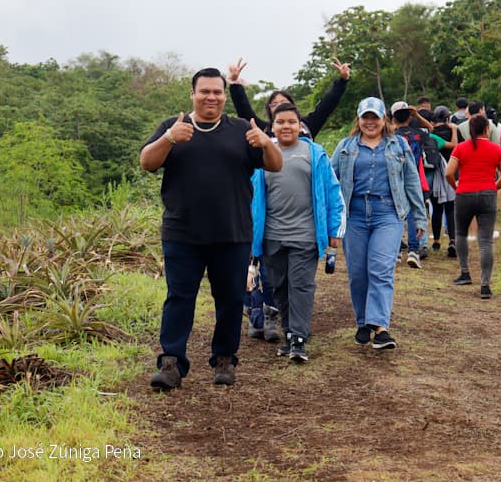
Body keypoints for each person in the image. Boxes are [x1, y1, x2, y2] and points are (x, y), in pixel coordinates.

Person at [141, 68, 283, 390]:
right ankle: (171, 362)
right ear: (192, 94)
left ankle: (225, 360)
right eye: (204, 91)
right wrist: (168, 139)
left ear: (223, 95)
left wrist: (265, 142)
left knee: (231, 299)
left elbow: (275, 165)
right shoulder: (173, 126)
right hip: (182, 232)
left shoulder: (240, 130)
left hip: (233, 232)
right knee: (179, 297)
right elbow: (146, 162)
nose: (211, 97)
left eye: (217, 92)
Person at [250, 103, 346, 362]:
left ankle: (299, 339)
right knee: (280, 287)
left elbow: (332, 192)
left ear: (300, 125)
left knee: (301, 286)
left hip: (305, 235)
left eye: (291, 121)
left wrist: (335, 229)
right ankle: (289, 333)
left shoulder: (314, 153)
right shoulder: (262, 155)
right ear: (272, 126)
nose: (286, 126)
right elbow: (253, 198)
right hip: (272, 235)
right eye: (280, 122)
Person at [331, 97, 427, 350]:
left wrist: (420, 217)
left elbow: (411, 182)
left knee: (381, 268)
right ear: (359, 119)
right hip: (354, 214)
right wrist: (328, 217)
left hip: (388, 212)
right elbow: (330, 182)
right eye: (366, 117)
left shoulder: (399, 145)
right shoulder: (345, 147)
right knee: (358, 272)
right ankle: (363, 322)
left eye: (375, 117)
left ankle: (381, 327)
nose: (370, 122)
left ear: (384, 119)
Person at [445, 115, 501, 300]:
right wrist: (493, 187)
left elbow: (449, 172)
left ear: (470, 130)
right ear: (487, 130)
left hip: (464, 194)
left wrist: (457, 187)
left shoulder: (460, 147)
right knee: (486, 241)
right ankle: (485, 285)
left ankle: (465, 273)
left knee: (460, 234)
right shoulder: (496, 149)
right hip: (487, 195)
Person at [227, 57, 350, 140]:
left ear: (292, 106)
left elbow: (326, 105)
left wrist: (342, 81)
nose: (280, 106)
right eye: (274, 104)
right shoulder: (263, 130)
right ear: (269, 109)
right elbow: (244, 110)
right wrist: (235, 83)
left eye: (283, 102)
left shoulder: (307, 126)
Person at [391, 101, 435, 268]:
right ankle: (413, 251)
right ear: (409, 117)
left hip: (395, 178)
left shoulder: (392, 136)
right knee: (412, 214)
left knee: (395, 215)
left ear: (393, 118)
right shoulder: (418, 134)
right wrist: (417, 115)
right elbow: (431, 129)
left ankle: (395, 253)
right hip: (414, 177)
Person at [430, 106, 458, 256]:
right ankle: (453, 240)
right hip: (452, 174)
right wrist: (454, 130)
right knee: (451, 208)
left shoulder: (431, 133)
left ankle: (436, 240)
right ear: (448, 119)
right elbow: (456, 148)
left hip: (435, 176)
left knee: (437, 208)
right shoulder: (453, 132)